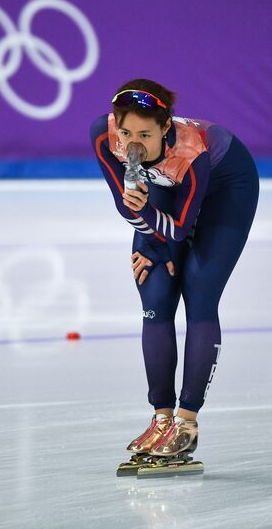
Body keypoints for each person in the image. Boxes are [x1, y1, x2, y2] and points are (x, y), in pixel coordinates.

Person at [89, 78, 259, 460]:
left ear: (166, 128)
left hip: (224, 191)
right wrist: (155, 243)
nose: (133, 143)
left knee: (199, 291)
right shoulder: (104, 135)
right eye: (127, 131)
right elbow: (124, 203)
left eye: (145, 134)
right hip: (166, 186)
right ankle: (161, 418)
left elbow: (181, 229)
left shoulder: (192, 151)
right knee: (156, 293)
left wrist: (161, 238)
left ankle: (186, 423)